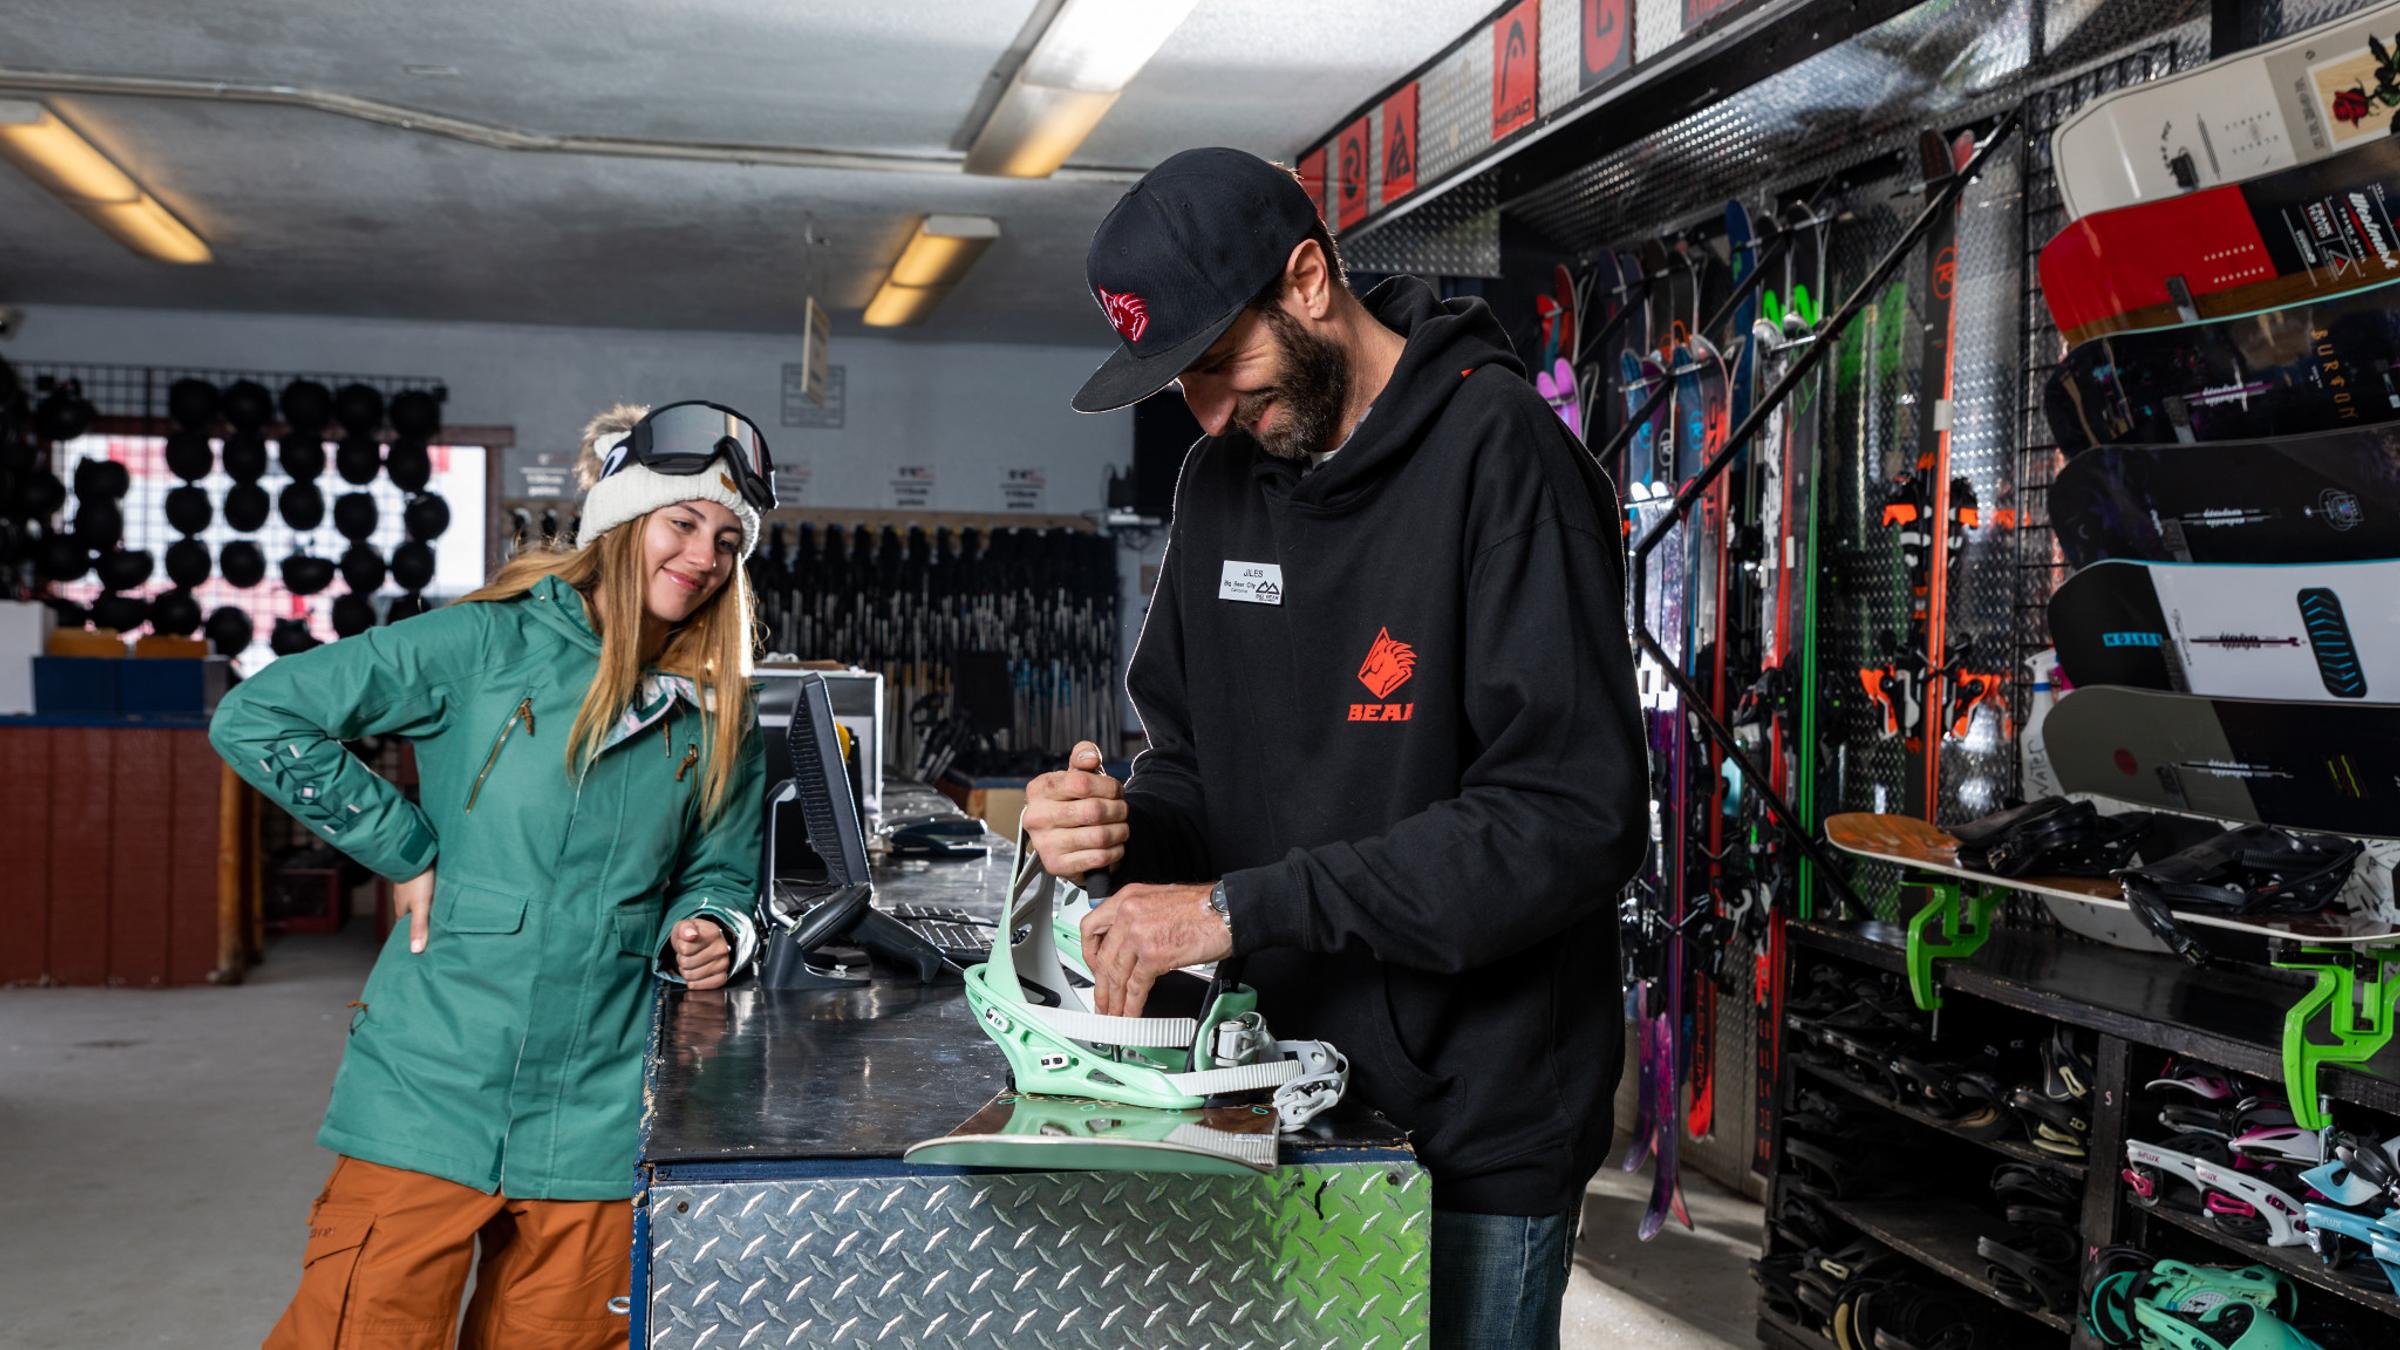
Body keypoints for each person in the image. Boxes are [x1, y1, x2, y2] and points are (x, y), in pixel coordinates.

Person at [1023, 147, 1647, 1349]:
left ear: (1307, 279)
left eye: (1220, 366)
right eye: (1181, 386)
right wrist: (1122, 835)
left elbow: (1566, 818)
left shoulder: (1503, 457)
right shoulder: (1221, 485)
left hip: (1473, 1128)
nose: (1208, 416)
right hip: (1274, 1092)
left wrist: (1239, 909)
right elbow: (1198, 768)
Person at [212, 400, 780, 1348]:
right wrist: (404, 847)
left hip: (600, 1110)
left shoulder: (718, 710)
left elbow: (720, 867)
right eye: (683, 524)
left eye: (728, 540)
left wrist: (711, 926)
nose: (703, 556)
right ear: (622, 522)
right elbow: (260, 716)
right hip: (433, 1082)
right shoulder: (483, 646)